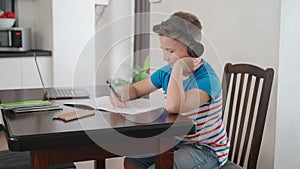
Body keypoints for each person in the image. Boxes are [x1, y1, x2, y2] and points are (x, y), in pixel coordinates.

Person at [109, 11, 229, 169]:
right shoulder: (167, 72)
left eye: (171, 51)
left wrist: (179, 67)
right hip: (174, 140)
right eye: (164, 50)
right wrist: (120, 93)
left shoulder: (207, 80)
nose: (165, 57)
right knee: (132, 160)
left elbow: (174, 107)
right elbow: (136, 90)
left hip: (204, 149)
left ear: (194, 50)